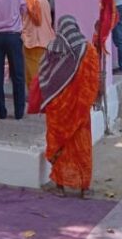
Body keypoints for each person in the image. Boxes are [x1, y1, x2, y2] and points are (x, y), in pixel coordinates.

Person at [41, 15, 101, 198]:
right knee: (82, 148)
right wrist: (88, 100)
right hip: (80, 111)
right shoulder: (88, 50)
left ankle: (60, 187)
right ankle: (85, 188)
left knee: (61, 145)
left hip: (57, 110)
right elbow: (93, 79)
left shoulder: (52, 49)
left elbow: (44, 77)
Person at [21, 0, 56, 87]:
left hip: (31, 41)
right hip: (47, 40)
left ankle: (36, 95)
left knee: (33, 75)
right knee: (44, 71)